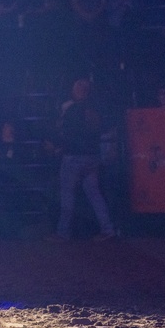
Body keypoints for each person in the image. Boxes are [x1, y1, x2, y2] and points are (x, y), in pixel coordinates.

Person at [48, 78, 116, 242]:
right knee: (95, 195)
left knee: (67, 195)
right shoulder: (95, 109)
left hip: (74, 157)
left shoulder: (72, 109)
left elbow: (68, 134)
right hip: (92, 157)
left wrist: (58, 147)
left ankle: (63, 232)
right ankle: (108, 228)